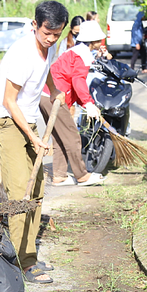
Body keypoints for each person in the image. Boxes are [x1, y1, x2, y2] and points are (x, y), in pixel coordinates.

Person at [0, 0, 68, 284]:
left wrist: (55, 90)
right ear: (34, 24)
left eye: (57, 34)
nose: (51, 38)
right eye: (47, 32)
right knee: (20, 190)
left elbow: (45, 68)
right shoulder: (22, 53)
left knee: (36, 188)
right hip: (8, 122)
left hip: (28, 120)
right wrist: (34, 137)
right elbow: (10, 102)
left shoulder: (49, 46)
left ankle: (27, 251)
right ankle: (21, 261)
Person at [41, 20, 107, 187]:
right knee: (72, 137)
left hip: (45, 95)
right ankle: (82, 176)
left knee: (60, 137)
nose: (100, 43)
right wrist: (89, 103)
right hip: (55, 97)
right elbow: (78, 81)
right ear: (93, 41)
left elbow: (72, 82)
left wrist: (85, 104)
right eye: (98, 40)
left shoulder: (75, 51)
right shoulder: (83, 54)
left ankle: (60, 176)